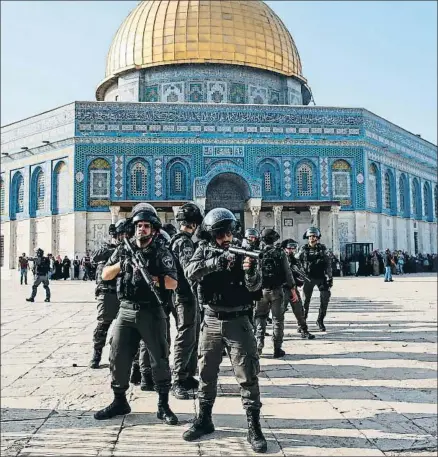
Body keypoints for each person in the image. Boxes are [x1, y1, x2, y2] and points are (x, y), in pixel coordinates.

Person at [183, 208, 267, 454]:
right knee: (206, 373)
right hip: (211, 320)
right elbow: (191, 271)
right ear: (211, 236)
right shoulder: (204, 251)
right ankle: (204, 419)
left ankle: (254, 426)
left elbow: (255, 286)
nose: (226, 238)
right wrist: (215, 263)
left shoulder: (243, 252)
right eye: (220, 234)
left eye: (229, 232)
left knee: (247, 375)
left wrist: (250, 269)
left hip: (238, 320)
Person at [94, 203, 178, 426]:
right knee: (118, 357)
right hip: (126, 310)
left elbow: (172, 282)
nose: (142, 229)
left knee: (159, 359)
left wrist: (153, 278)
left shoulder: (161, 251)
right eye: (139, 225)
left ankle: (163, 405)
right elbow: (105, 275)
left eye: (146, 226)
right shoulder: (124, 249)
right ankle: (120, 400)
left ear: (154, 230)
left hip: (152, 311)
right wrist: (123, 264)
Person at [170, 202, 204, 400]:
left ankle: (188, 375)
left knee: (192, 335)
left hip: (186, 295)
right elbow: (190, 270)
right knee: (186, 336)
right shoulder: (183, 242)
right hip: (185, 296)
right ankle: (178, 379)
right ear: (194, 224)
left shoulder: (180, 240)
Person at [89, 219, 129, 369]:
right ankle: (96, 354)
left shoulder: (130, 250)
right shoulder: (107, 249)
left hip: (124, 294)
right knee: (103, 325)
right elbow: (95, 257)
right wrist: (116, 250)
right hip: (108, 293)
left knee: (124, 330)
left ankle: (118, 357)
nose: (125, 237)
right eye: (122, 234)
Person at [254, 228, 297, 358]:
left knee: (260, 317)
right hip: (277, 291)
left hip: (261, 291)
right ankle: (277, 348)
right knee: (277, 320)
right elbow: (288, 272)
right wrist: (292, 289)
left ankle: (259, 344)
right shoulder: (280, 253)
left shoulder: (257, 253)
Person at [297, 227, 333, 332]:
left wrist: (330, 277)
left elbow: (328, 264)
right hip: (308, 277)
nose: (312, 238)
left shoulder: (322, 249)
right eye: (310, 236)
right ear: (307, 237)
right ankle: (302, 323)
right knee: (305, 302)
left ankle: (320, 320)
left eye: (314, 236)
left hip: (321, 277)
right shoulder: (303, 249)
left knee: (325, 299)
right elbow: (296, 261)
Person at [281, 239, 315, 340]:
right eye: (289, 248)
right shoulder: (279, 259)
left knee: (299, 310)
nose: (291, 250)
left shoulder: (295, 260)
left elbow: (300, 278)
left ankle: (304, 330)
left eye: (293, 248)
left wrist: (297, 276)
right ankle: (278, 334)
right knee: (279, 313)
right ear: (284, 249)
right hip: (282, 289)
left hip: (293, 288)